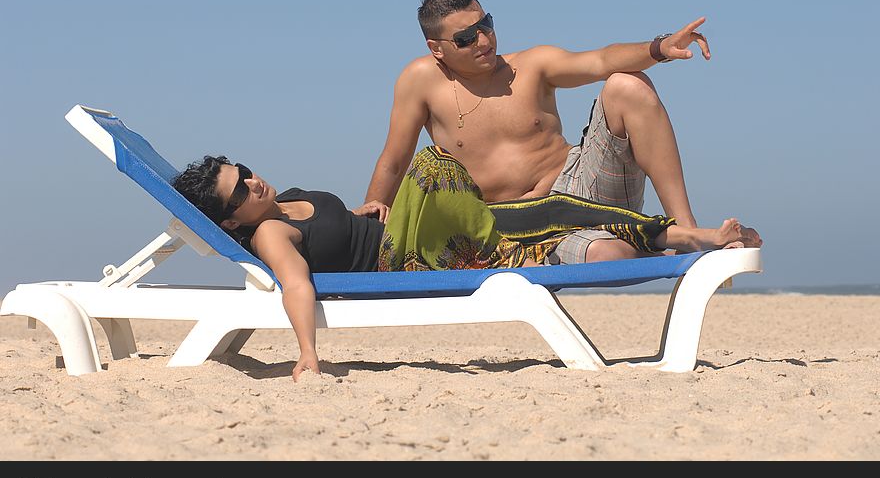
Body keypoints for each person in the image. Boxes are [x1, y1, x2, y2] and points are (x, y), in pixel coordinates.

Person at [173, 146, 761, 381]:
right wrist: (307, 355)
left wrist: (366, 211)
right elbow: (296, 286)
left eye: (245, 172)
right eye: (241, 190)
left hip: (405, 238)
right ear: (232, 222)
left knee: (552, 207)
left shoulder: (285, 199)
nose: (255, 183)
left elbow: (336, 233)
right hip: (404, 266)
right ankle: (693, 236)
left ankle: (684, 235)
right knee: (435, 168)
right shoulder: (273, 231)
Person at [364, 0, 754, 264]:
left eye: (486, 24)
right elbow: (394, 160)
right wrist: (369, 217)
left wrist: (658, 48)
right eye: (465, 38)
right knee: (608, 255)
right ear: (437, 49)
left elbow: (601, 60)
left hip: (582, 186)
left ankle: (685, 232)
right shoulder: (420, 81)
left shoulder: (531, 66)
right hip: (520, 225)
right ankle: (652, 240)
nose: (483, 40)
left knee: (626, 84)